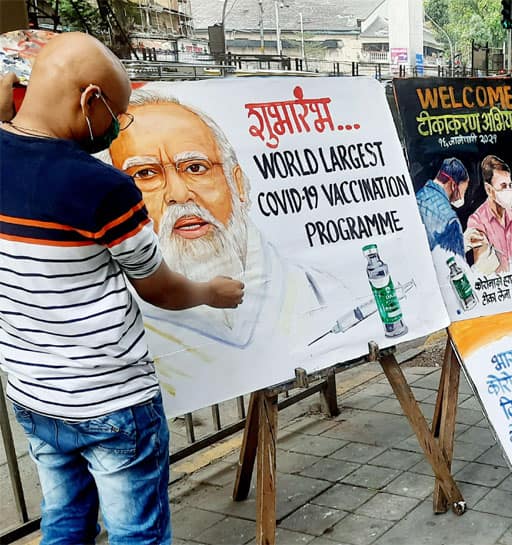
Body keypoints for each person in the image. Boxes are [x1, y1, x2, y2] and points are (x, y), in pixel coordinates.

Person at [0, 33, 243, 545]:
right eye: (117, 113)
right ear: (90, 100)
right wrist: (211, 292)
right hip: (110, 399)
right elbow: (160, 288)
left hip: (32, 393)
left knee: (63, 518)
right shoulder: (101, 187)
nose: (115, 127)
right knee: (137, 534)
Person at [105, 91, 350, 352]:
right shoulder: (120, 329)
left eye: (195, 167)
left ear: (239, 184)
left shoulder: (321, 293)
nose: (178, 194)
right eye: (145, 174)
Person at [466, 155, 512, 274]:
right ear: (489, 189)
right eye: (503, 186)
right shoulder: (477, 222)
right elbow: (483, 270)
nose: (509, 191)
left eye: (510, 185)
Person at [415, 157, 470, 258]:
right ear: (453, 186)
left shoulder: (417, 197)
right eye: (463, 191)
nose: (462, 197)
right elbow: (457, 266)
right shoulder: (450, 220)